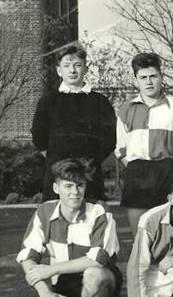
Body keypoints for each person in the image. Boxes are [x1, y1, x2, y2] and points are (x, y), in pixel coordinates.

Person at [17, 158, 121, 297]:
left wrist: (51, 269)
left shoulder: (98, 210)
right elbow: (27, 256)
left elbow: (98, 259)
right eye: (68, 186)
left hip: (104, 279)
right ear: (56, 188)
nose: (75, 192)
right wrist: (43, 291)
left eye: (80, 185)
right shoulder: (44, 212)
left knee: (93, 274)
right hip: (65, 284)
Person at [115, 52, 173, 237]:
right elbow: (121, 149)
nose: (148, 82)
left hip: (168, 171)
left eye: (153, 76)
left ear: (161, 77)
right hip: (137, 173)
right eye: (143, 77)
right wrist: (137, 167)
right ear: (136, 80)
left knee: (171, 232)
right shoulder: (126, 109)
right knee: (141, 234)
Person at [32, 45, 116, 202]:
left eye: (77, 65)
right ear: (58, 70)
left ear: (86, 68)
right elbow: (39, 136)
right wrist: (57, 160)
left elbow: (110, 138)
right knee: (57, 220)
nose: (72, 70)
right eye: (66, 66)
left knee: (90, 220)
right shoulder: (48, 101)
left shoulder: (99, 101)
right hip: (58, 173)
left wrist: (92, 161)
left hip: (90, 174)